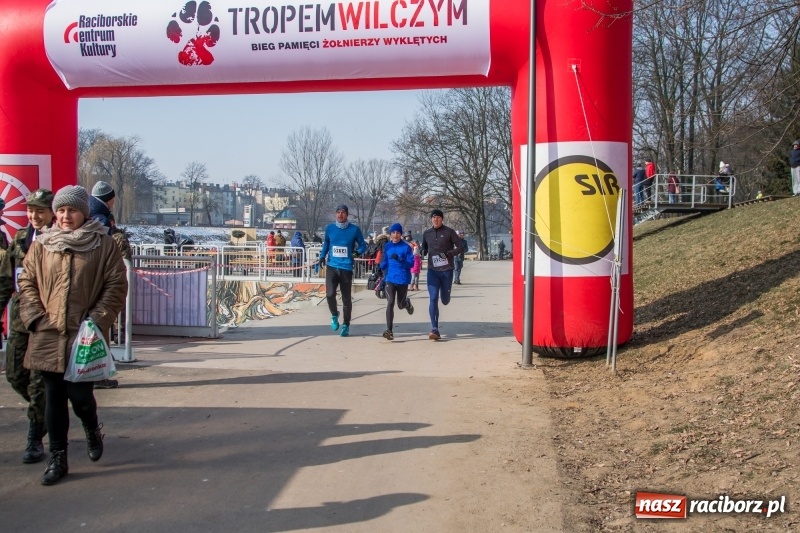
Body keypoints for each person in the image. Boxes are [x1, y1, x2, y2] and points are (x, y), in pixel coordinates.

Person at [17, 185, 128, 486]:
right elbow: (26, 283)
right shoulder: (41, 245)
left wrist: (95, 321)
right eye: (62, 210)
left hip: (85, 334)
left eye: (73, 210)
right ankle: (58, 457)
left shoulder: (102, 245)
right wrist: (36, 317)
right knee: (53, 397)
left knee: (80, 397)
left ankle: (91, 428)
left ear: (84, 212)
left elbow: (116, 285)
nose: (66, 216)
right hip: (48, 333)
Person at [0, 189, 54, 464]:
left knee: (37, 382)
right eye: (31, 211)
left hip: (47, 321)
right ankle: (46, 413)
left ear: (51, 213)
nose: (34, 216)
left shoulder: (58, 241)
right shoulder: (21, 239)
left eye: (40, 211)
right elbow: (6, 280)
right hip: (21, 318)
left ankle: (35, 438)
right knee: (14, 375)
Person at [89, 181, 120, 389]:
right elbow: (105, 247)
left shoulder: (89, 211)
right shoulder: (101, 218)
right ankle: (98, 374)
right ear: (110, 199)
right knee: (100, 328)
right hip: (97, 281)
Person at [319, 204, 366, 337]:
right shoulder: (330, 228)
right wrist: (322, 256)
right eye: (338, 212)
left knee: (346, 299)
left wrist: (356, 254)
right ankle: (334, 314)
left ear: (347, 215)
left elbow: (363, 245)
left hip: (346, 268)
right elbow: (327, 243)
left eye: (343, 212)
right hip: (332, 266)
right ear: (335, 214)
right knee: (329, 294)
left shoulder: (354, 230)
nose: (340, 215)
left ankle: (346, 324)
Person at [421, 209, 463, 340]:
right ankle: (435, 329)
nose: (435, 219)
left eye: (438, 217)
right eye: (433, 217)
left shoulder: (449, 232)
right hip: (432, 271)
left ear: (442, 219)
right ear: (431, 219)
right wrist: (422, 252)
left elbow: (461, 247)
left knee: (444, 300)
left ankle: (446, 295)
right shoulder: (427, 233)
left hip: (446, 271)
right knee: (433, 298)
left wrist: (450, 253)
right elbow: (425, 248)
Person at [377, 223, 415, 341]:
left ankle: (407, 303)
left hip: (403, 279)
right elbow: (386, 261)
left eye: (398, 232)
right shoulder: (387, 246)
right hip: (390, 278)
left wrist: (400, 259)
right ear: (390, 234)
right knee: (390, 302)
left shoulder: (406, 247)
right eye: (393, 232)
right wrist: (379, 269)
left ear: (401, 234)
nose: (395, 235)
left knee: (400, 304)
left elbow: (411, 263)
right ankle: (389, 330)